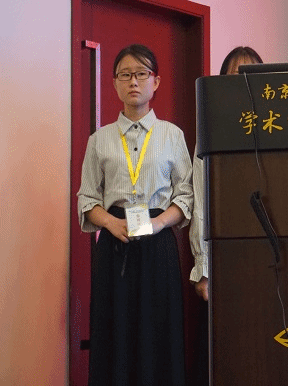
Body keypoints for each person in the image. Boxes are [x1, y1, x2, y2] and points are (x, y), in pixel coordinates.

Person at [77, 44, 193, 386]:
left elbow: (186, 195)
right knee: (115, 330)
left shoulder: (172, 135)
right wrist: (111, 223)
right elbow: (87, 198)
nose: (133, 82)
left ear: (155, 82)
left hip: (158, 246)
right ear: (114, 82)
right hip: (115, 247)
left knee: (158, 331)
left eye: (142, 74)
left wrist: (158, 223)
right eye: (125, 74)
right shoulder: (99, 140)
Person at [189, 46, 264, 301]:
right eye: (235, 75)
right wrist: (204, 269)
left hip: (268, 247)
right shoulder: (211, 130)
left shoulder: (277, 124)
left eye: (251, 74)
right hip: (226, 248)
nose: (243, 81)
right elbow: (201, 203)